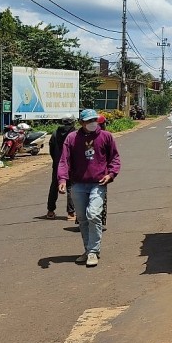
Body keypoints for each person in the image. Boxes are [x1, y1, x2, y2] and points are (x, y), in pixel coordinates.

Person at [57, 109, 121, 268]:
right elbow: (64, 160)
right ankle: (88, 250)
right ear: (81, 123)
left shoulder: (106, 136)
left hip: (98, 183)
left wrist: (111, 174)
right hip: (78, 184)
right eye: (88, 121)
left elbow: (115, 157)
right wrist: (62, 179)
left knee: (93, 214)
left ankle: (93, 251)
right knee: (83, 218)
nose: (93, 123)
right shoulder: (72, 138)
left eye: (94, 119)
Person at [46, 116, 76, 220]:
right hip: (72, 164)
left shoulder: (55, 133)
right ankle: (71, 213)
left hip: (58, 164)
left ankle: (50, 211)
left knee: (54, 186)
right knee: (71, 187)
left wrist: (56, 160)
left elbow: (51, 149)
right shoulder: (75, 134)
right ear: (73, 122)